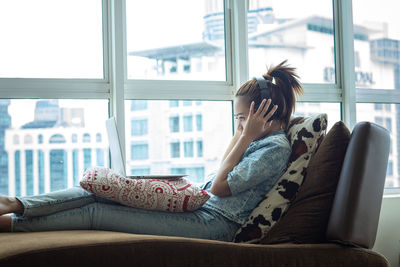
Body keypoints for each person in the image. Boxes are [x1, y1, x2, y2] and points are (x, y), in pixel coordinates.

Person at [0, 60, 303, 242]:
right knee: (102, 192)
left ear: (264, 111)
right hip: (200, 208)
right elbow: (224, 167)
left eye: (241, 118)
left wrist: (246, 137)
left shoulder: (273, 149)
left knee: (96, 212)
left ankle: (11, 223)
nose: (239, 125)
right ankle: (13, 203)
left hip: (214, 225)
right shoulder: (255, 139)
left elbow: (222, 187)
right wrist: (243, 135)